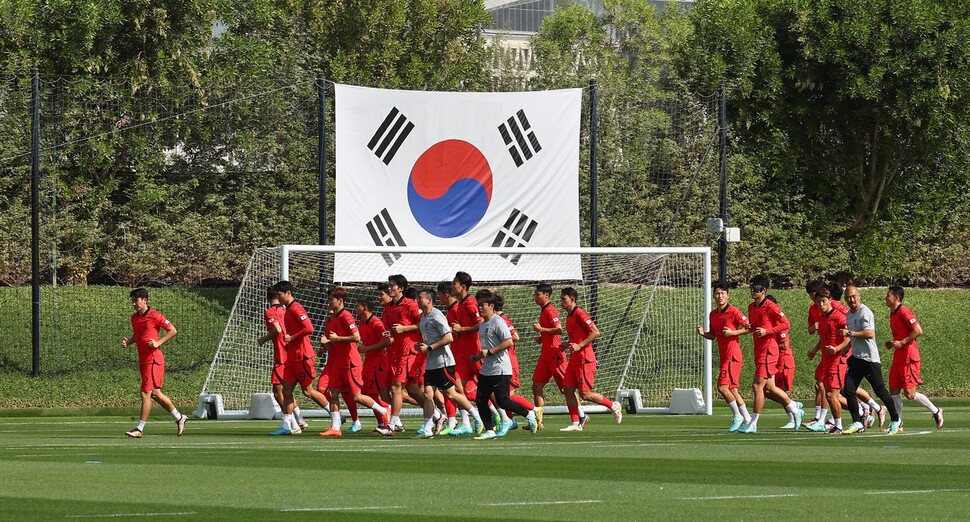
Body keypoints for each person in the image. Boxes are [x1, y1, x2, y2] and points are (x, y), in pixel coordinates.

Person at [316, 287, 390, 437]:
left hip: (351, 362)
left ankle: (384, 410)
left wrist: (336, 338)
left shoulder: (346, 316)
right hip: (339, 363)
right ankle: (335, 427)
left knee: (357, 396)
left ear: (340, 301)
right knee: (333, 392)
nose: (329, 302)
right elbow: (336, 341)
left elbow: (356, 337)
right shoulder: (335, 318)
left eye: (332, 299)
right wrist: (327, 344)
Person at [736, 278, 803, 434]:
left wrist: (768, 331)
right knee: (771, 388)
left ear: (764, 291)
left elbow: (786, 323)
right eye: (752, 288)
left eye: (757, 288)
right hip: (759, 350)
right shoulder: (751, 307)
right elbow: (753, 326)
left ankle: (753, 423)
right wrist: (744, 329)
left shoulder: (771, 306)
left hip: (769, 350)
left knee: (757, 386)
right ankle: (795, 408)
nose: (753, 291)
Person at [416, 289, 483, 438]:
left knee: (451, 394)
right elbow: (429, 340)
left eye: (420, 298)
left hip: (443, 362)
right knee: (427, 394)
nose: (417, 300)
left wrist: (430, 347)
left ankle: (476, 415)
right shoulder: (423, 318)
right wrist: (421, 345)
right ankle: (427, 427)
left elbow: (449, 338)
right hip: (431, 363)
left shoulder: (437, 316)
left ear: (429, 300)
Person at [121, 288, 187, 438]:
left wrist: (158, 343)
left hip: (153, 359)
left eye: (136, 301)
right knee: (156, 394)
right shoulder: (134, 318)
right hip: (143, 360)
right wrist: (129, 342)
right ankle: (179, 417)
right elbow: (138, 335)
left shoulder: (155, 315)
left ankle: (139, 428)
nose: (134, 304)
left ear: (145, 300)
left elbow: (172, 330)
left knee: (145, 393)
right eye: (132, 301)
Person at [471, 293, 537, 439]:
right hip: (487, 369)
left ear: (491, 306)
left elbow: (509, 341)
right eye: (479, 305)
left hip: (500, 368)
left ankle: (529, 413)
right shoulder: (483, 325)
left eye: (483, 305)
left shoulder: (498, 321)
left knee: (503, 400)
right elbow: (487, 347)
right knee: (481, 400)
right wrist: (478, 356)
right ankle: (489, 430)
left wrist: (490, 352)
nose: (480, 308)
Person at [271, 281, 331, 436]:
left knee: (308, 391)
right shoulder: (288, 309)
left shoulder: (297, 308)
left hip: (303, 356)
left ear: (288, 293)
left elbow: (309, 328)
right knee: (286, 389)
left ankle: (336, 414)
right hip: (292, 357)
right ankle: (288, 426)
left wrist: (293, 337)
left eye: (280, 294)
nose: (278, 297)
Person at [839, 285, 901, 435]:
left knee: (880, 391)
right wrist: (847, 347)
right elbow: (852, 336)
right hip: (856, 358)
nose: (851, 299)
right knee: (848, 390)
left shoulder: (865, 312)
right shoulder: (848, 314)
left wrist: (849, 333)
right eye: (848, 297)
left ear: (859, 296)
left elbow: (869, 333)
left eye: (854, 296)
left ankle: (895, 419)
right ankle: (857, 422)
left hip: (870, 359)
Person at [559, 287, 623, 431]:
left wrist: (580, 345)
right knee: (567, 389)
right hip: (574, 358)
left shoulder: (580, 314)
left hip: (584, 359)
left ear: (572, 300)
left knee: (585, 394)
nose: (561, 302)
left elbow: (595, 332)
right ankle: (576, 423)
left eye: (564, 299)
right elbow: (576, 339)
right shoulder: (569, 316)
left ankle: (613, 405)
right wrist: (566, 345)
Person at [885, 285, 944, 430]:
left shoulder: (904, 312)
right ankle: (898, 422)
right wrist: (893, 343)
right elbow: (900, 336)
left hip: (909, 357)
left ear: (896, 298)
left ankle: (936, 411)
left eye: (888, 295)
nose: (886, 298)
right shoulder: (893, 313)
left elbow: (918, 330)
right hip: (898, 356)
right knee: (893, 390)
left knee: (910, 394)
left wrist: (902, 342)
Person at [696, 284, 753, 432]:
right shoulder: (713, 314)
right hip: (724, 356)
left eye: (722, 293)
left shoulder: (734, 312)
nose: (720, 296)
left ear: (728, 295)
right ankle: (748, 420)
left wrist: (734, 333)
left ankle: (737, 416)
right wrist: (703, 333)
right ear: (714, 296)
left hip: (733, 355)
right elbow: (713, 335)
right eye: (717, 293)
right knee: (733, 390)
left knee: (722, 387)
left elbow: (750, 327)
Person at [257, 287, 307, 434]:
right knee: (291, 391)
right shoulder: (288, 310)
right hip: (292, 353)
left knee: (278, 392)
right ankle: (300, 420)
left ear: (268, 298)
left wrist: (263, 339)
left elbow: (277, 329)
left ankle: (292, 425)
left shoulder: (270, 312)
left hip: (282, 356)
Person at [384, 274, 424, 432]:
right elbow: (391, 328)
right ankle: (436, 414)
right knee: (413, 390)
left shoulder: (410, 305)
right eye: (389, 284)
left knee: (396, 388)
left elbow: (423, 323)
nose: (389, 287)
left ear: (401, 288)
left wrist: (404, 329)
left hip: (409, 352)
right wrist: (390, 334)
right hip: (395, 352)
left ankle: (393, 424)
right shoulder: (388, 307)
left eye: (392, 285)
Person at [806, 287, 849, 434]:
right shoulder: (822, 318)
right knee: (827, 392)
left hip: (837, 360)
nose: (820, 304)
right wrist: (814, 350)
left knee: (831, 395)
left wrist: (837, 349)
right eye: (818, 302)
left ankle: (839, 425)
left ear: (830, 300)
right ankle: (862, 411)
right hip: (826, 360)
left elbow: (849, 338)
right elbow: (823, 339)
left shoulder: (839, 317)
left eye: (823, 301)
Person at [531, 283, 567, 431]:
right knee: (536, 386)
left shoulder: (550, 311)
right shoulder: (544, 310)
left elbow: (559, 330)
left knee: (566, 389)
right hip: (545, 355)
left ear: (546, 295)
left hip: (554, 355)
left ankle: (581, 415)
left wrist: (542, 329)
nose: (535, 297)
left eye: (537, 294)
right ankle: (539, 421)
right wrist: (542, 337)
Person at [450, 271, 484, 427]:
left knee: (487, 387)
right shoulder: (461, 304)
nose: (452, 286)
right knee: (457, 388)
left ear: (463, 287)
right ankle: (466, 423)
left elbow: (480, 324)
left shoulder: (470, 303)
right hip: (463, 354)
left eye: (454, 283)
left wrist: (461, 329)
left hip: (474, 352)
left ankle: (504, 417)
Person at [356, 296, 393, 434]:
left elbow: (387, 341)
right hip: (369, 361)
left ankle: (387, 414)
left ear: (364, 308)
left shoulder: (377, 323)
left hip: (379, 362)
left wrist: (367, 348)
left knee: (372, 394)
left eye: (358, 306)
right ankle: (382, 422)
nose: (356, 309)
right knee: (366, 393)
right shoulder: (362, 322)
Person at [765, 295, 800, 428]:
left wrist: (769, 344)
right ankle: (793, 408)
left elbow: (784, 345)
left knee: (777, 390)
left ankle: (792, 417)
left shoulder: (780, 324)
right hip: (774, 360)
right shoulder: (769, 324)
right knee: (767, 391)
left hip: (784, 361)